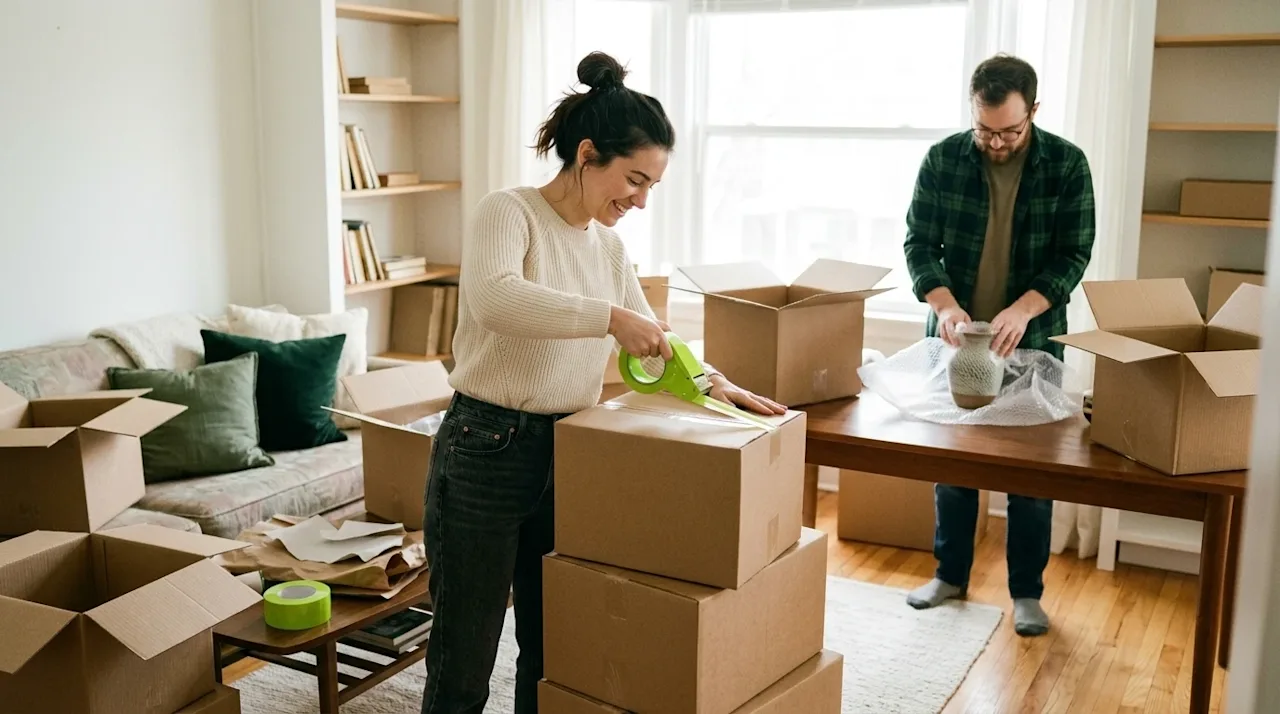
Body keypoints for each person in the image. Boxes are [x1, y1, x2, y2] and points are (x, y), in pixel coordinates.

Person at [420, 51, 785, 714]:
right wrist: (609, 319)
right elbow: (498, 299)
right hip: (483, 450)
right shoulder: (509, 212)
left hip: (571, 453)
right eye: (634, 179)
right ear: (588, 154)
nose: (641, 200)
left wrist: (712, 382)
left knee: (551, 647)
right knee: (465, 655)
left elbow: (651, 349)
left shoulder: (609, 250)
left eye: (652, 187)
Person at [901, 53, 1096, 637]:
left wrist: (1024, 307)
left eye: (1010, 131)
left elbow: (1073, 253)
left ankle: (1026, 594)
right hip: (957, 341)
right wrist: (944, 305)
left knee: (1031, 479)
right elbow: (918, 243)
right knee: (953, 467)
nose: (996, 142)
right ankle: (950, 575)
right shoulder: (942, 160)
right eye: (985, 129)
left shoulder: (1066, 164)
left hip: (1032, 340)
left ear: (1033, 112)